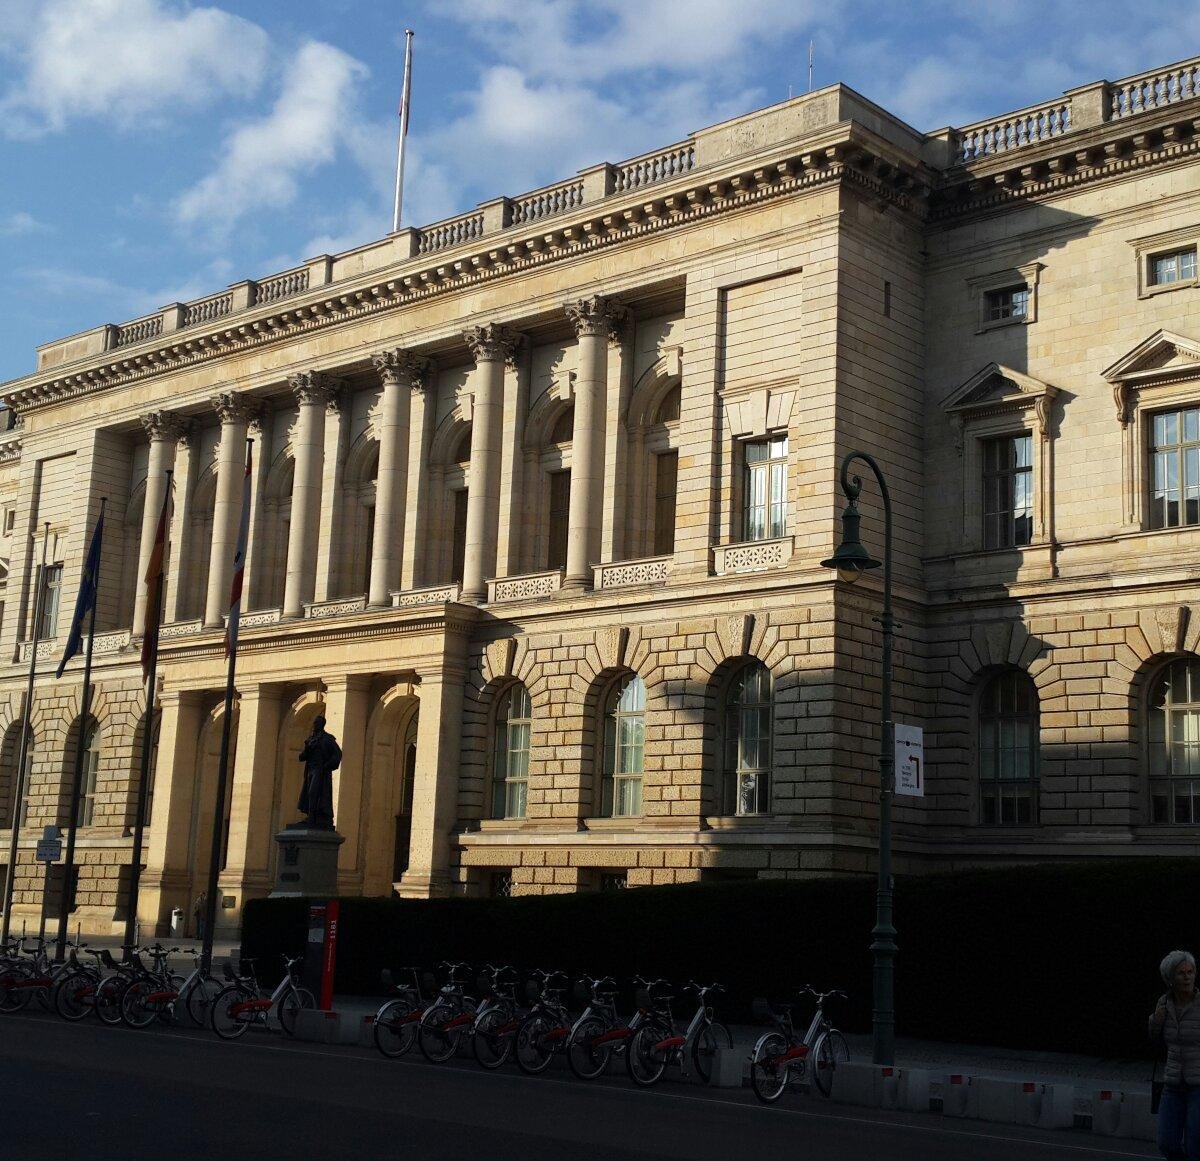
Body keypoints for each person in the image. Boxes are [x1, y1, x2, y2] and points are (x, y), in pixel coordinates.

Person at [1151, 949, 1200, 1161]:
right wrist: (1156, 1019)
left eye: (1191, 971)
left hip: (1199, 1085)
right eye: (1181, 973)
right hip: (1172, 1084)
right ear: (1170, 978)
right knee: (1166, 1143)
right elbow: (1154, 1038)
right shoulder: (1164, 1004)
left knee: (1195, 1145)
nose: (1187, 977)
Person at [297, 715, 342, 830]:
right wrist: (307, 749)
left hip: (320, 771)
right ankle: (311, 816)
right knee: (308, 793)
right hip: (310, 770)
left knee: (314, 793)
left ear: (321, 725)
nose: (314, 725)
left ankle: (314, 818)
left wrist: (327, 765)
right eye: (314, 723)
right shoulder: (310, 739)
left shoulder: (327, 739)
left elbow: (337, 754)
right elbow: (301, 757)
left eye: (316, 723)